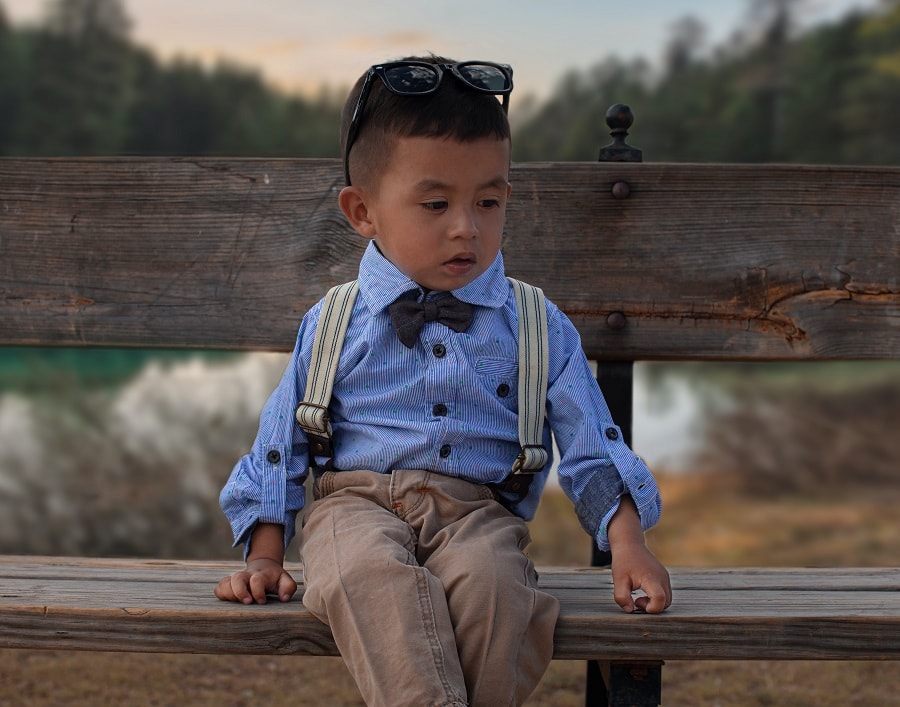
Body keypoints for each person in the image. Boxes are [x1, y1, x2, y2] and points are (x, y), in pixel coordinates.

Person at [215, 55, 672, 707]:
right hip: (354, 503)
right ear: (362, 211)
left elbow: (591, 439)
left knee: (497, 592)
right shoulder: (335, 320)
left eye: (489, 200)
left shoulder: (535, 325)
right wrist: (265, 554)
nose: (468, 226)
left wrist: (627, 542)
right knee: (364, 574)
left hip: (478, 510)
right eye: (437, 203)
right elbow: (282, 436)